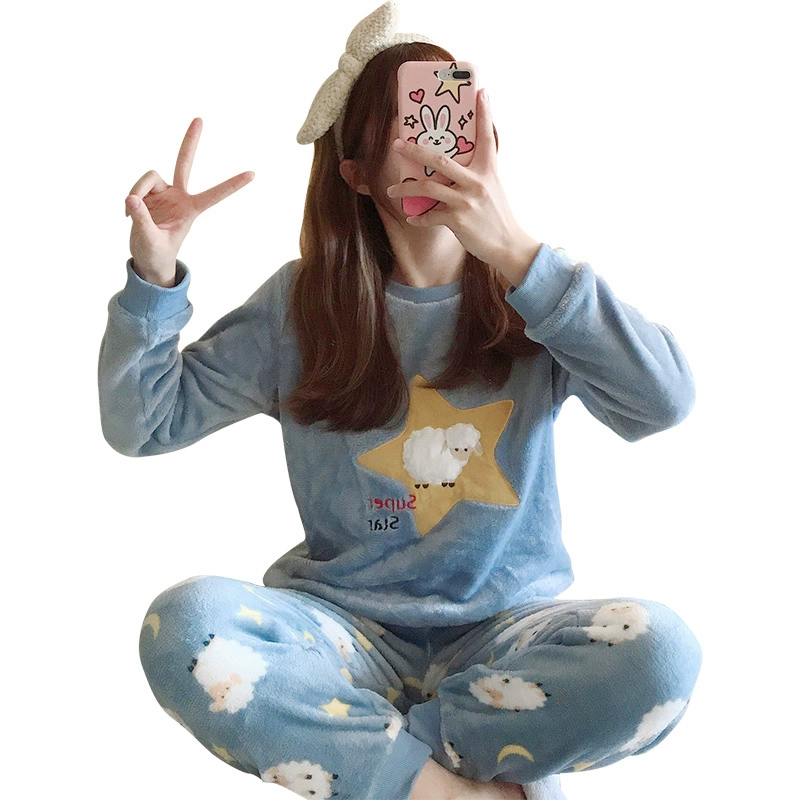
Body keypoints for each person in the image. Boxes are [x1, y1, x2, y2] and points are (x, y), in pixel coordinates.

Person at [98, 3, 702, 799]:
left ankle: (388, 760)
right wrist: (154, 278)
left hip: (503, 641)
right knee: (182, 624)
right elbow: (142, 424)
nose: (432, 141)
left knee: (662, 653)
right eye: (406, 123)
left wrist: (518, 253)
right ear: (356, 173)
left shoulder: (538, 292)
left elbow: (663, 402)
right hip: (340, 639)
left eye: (451, 117)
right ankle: (451, 790)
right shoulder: (301, 307)